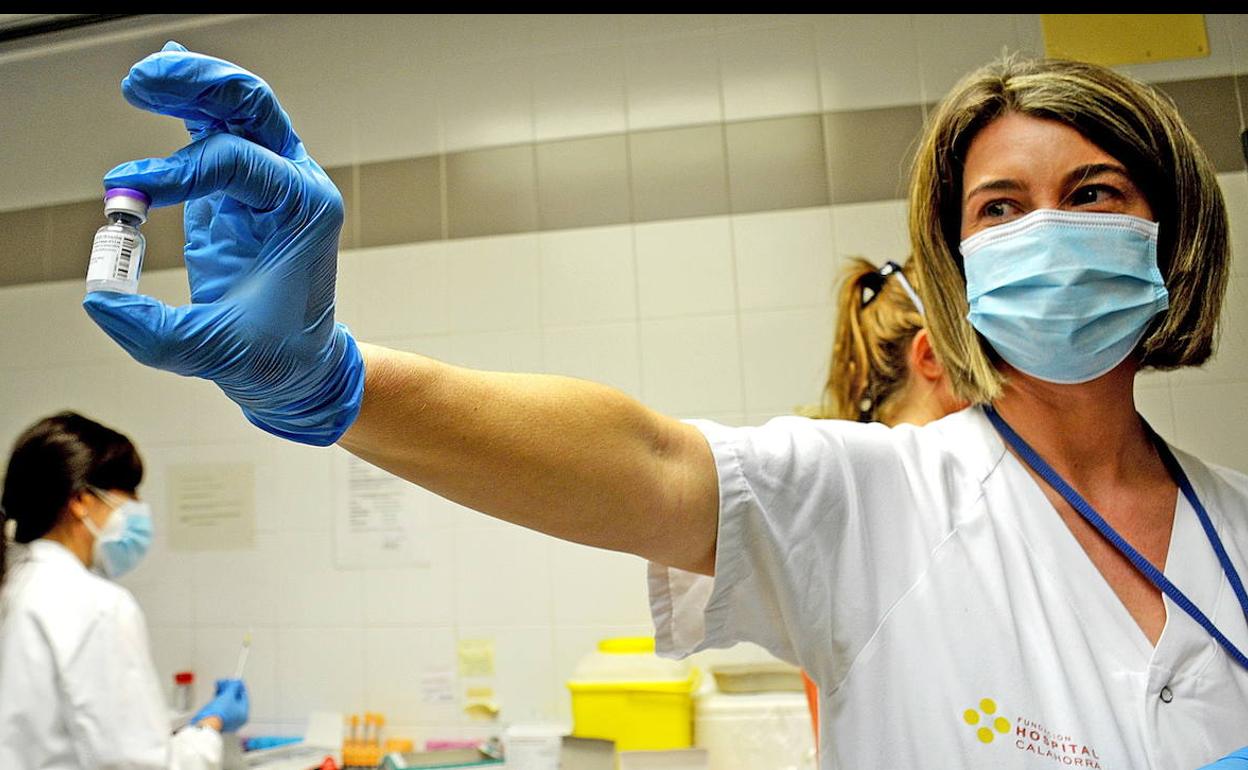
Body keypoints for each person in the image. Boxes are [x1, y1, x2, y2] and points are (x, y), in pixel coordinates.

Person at [81, 42, 1248, 767]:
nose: (1045, 231)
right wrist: (330, 377)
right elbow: (647, 461)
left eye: (1094, 191)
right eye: (999, 208)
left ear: (1173, 229)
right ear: (955, 262)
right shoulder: (878, 492)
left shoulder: (1236, 525)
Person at [0, 412, 250, 769]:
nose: (136, 506)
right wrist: (211, 725)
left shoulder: (15, 586)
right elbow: (141, 764)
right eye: (128, 492)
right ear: (81, 500)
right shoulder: (94, 604)